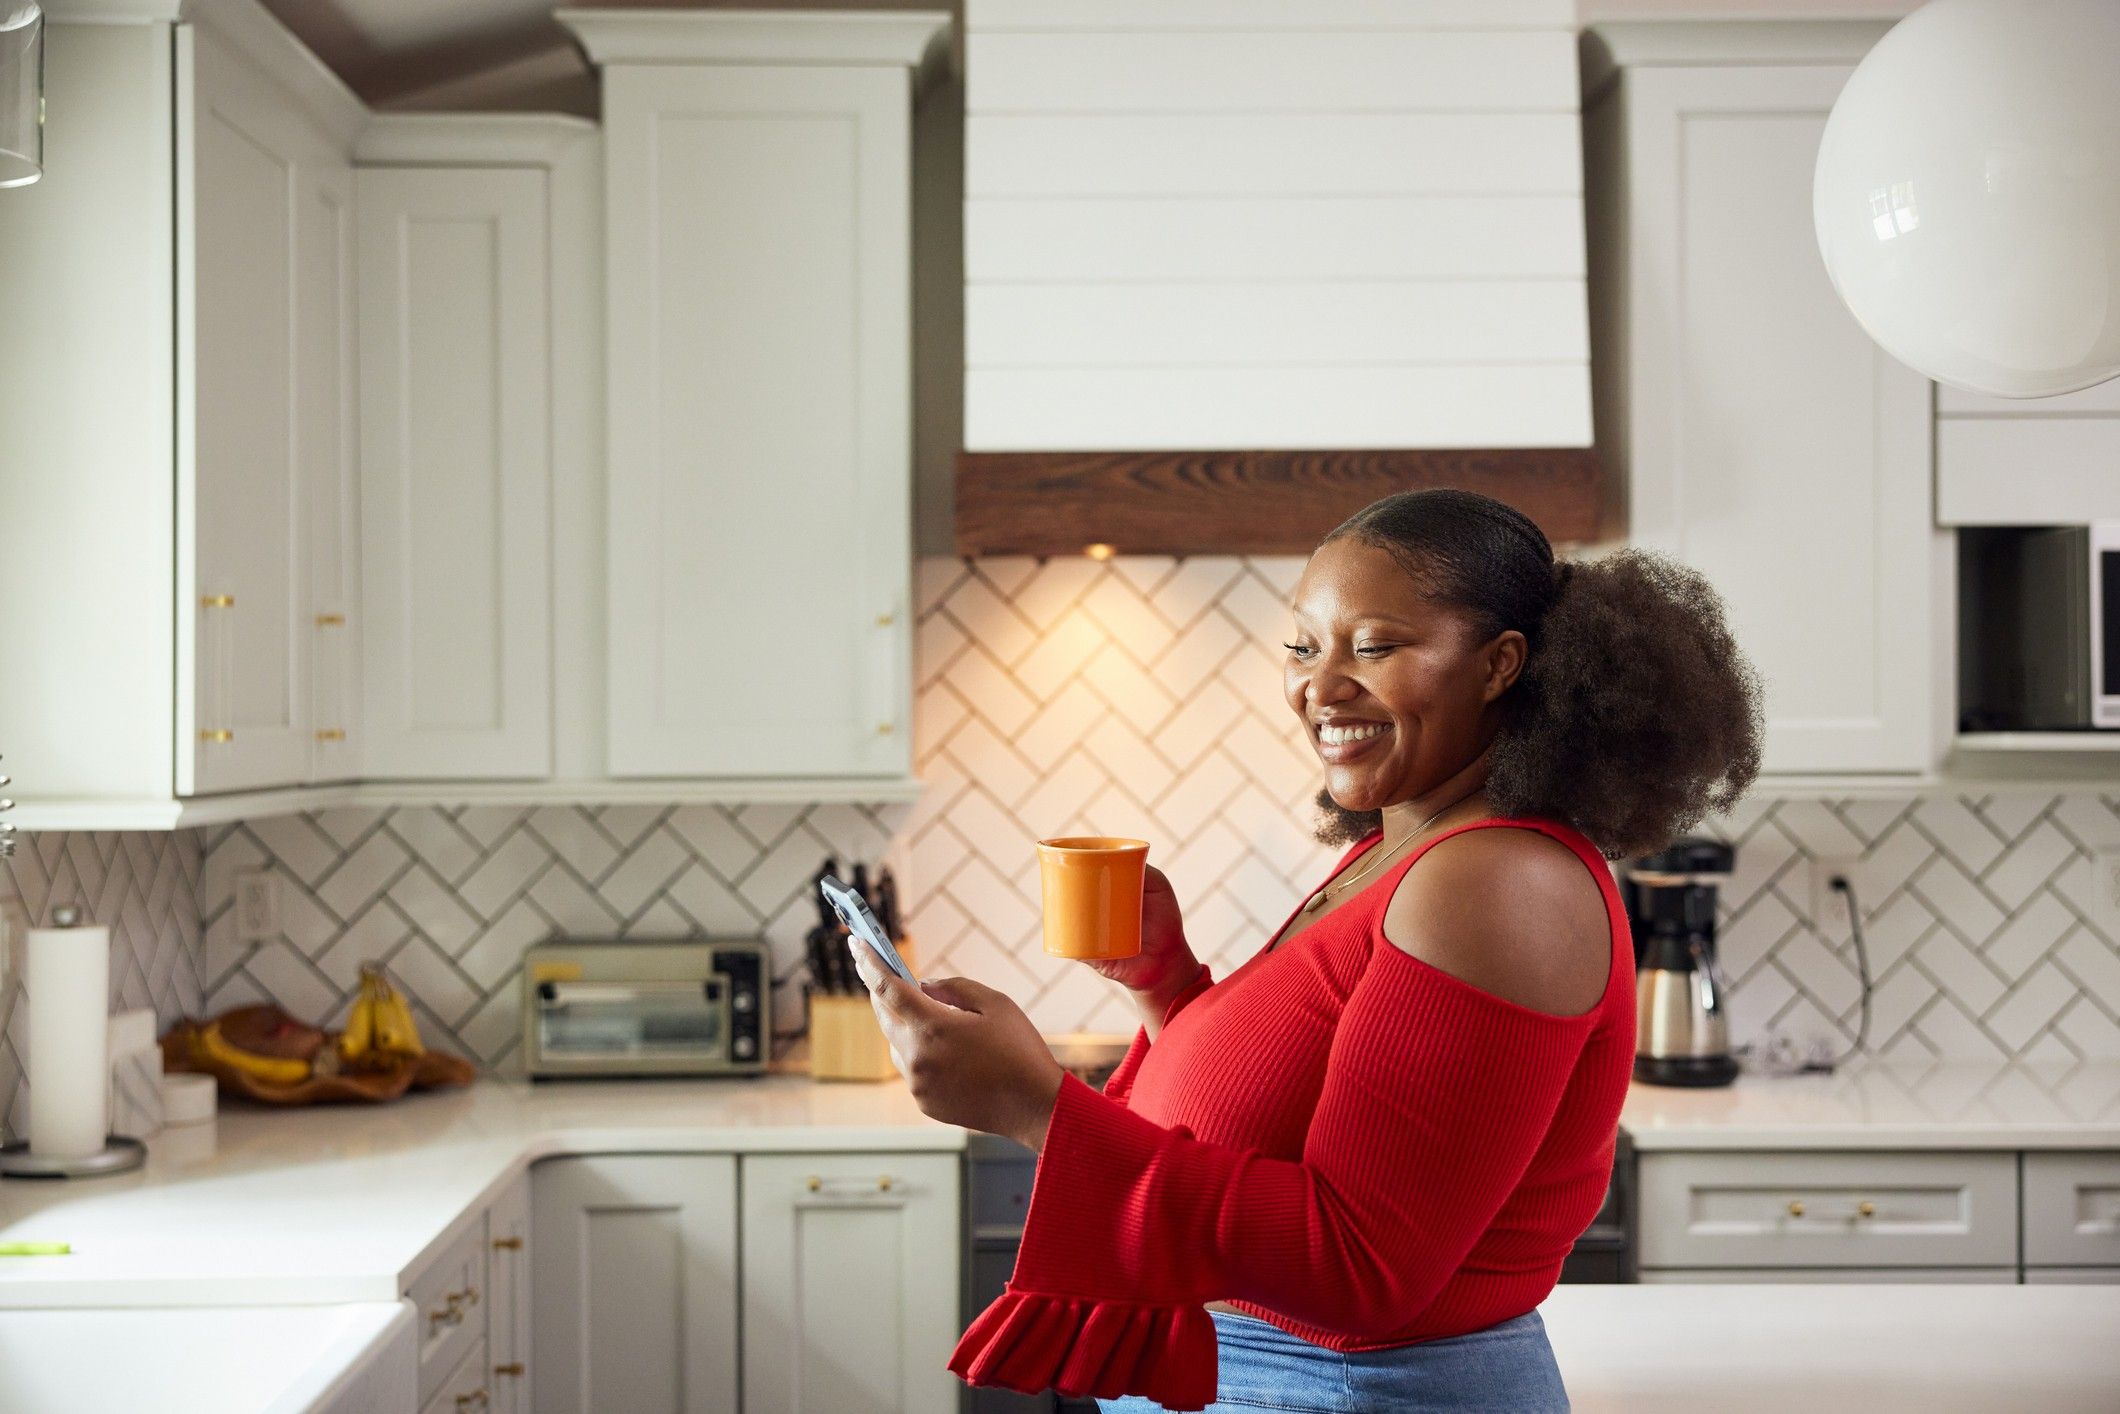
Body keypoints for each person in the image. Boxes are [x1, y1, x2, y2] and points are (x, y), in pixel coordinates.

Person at [848, 489, 1762, 1412]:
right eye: (1302, 645)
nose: (1320, 688)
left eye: (1374, 647)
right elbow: (1290, 1121)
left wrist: (1035, 1105)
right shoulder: (1405, 851)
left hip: (1354, 1389)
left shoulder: (1495, 882)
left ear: (1499, 665)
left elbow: (1361, 1265)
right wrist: (1166, 987)